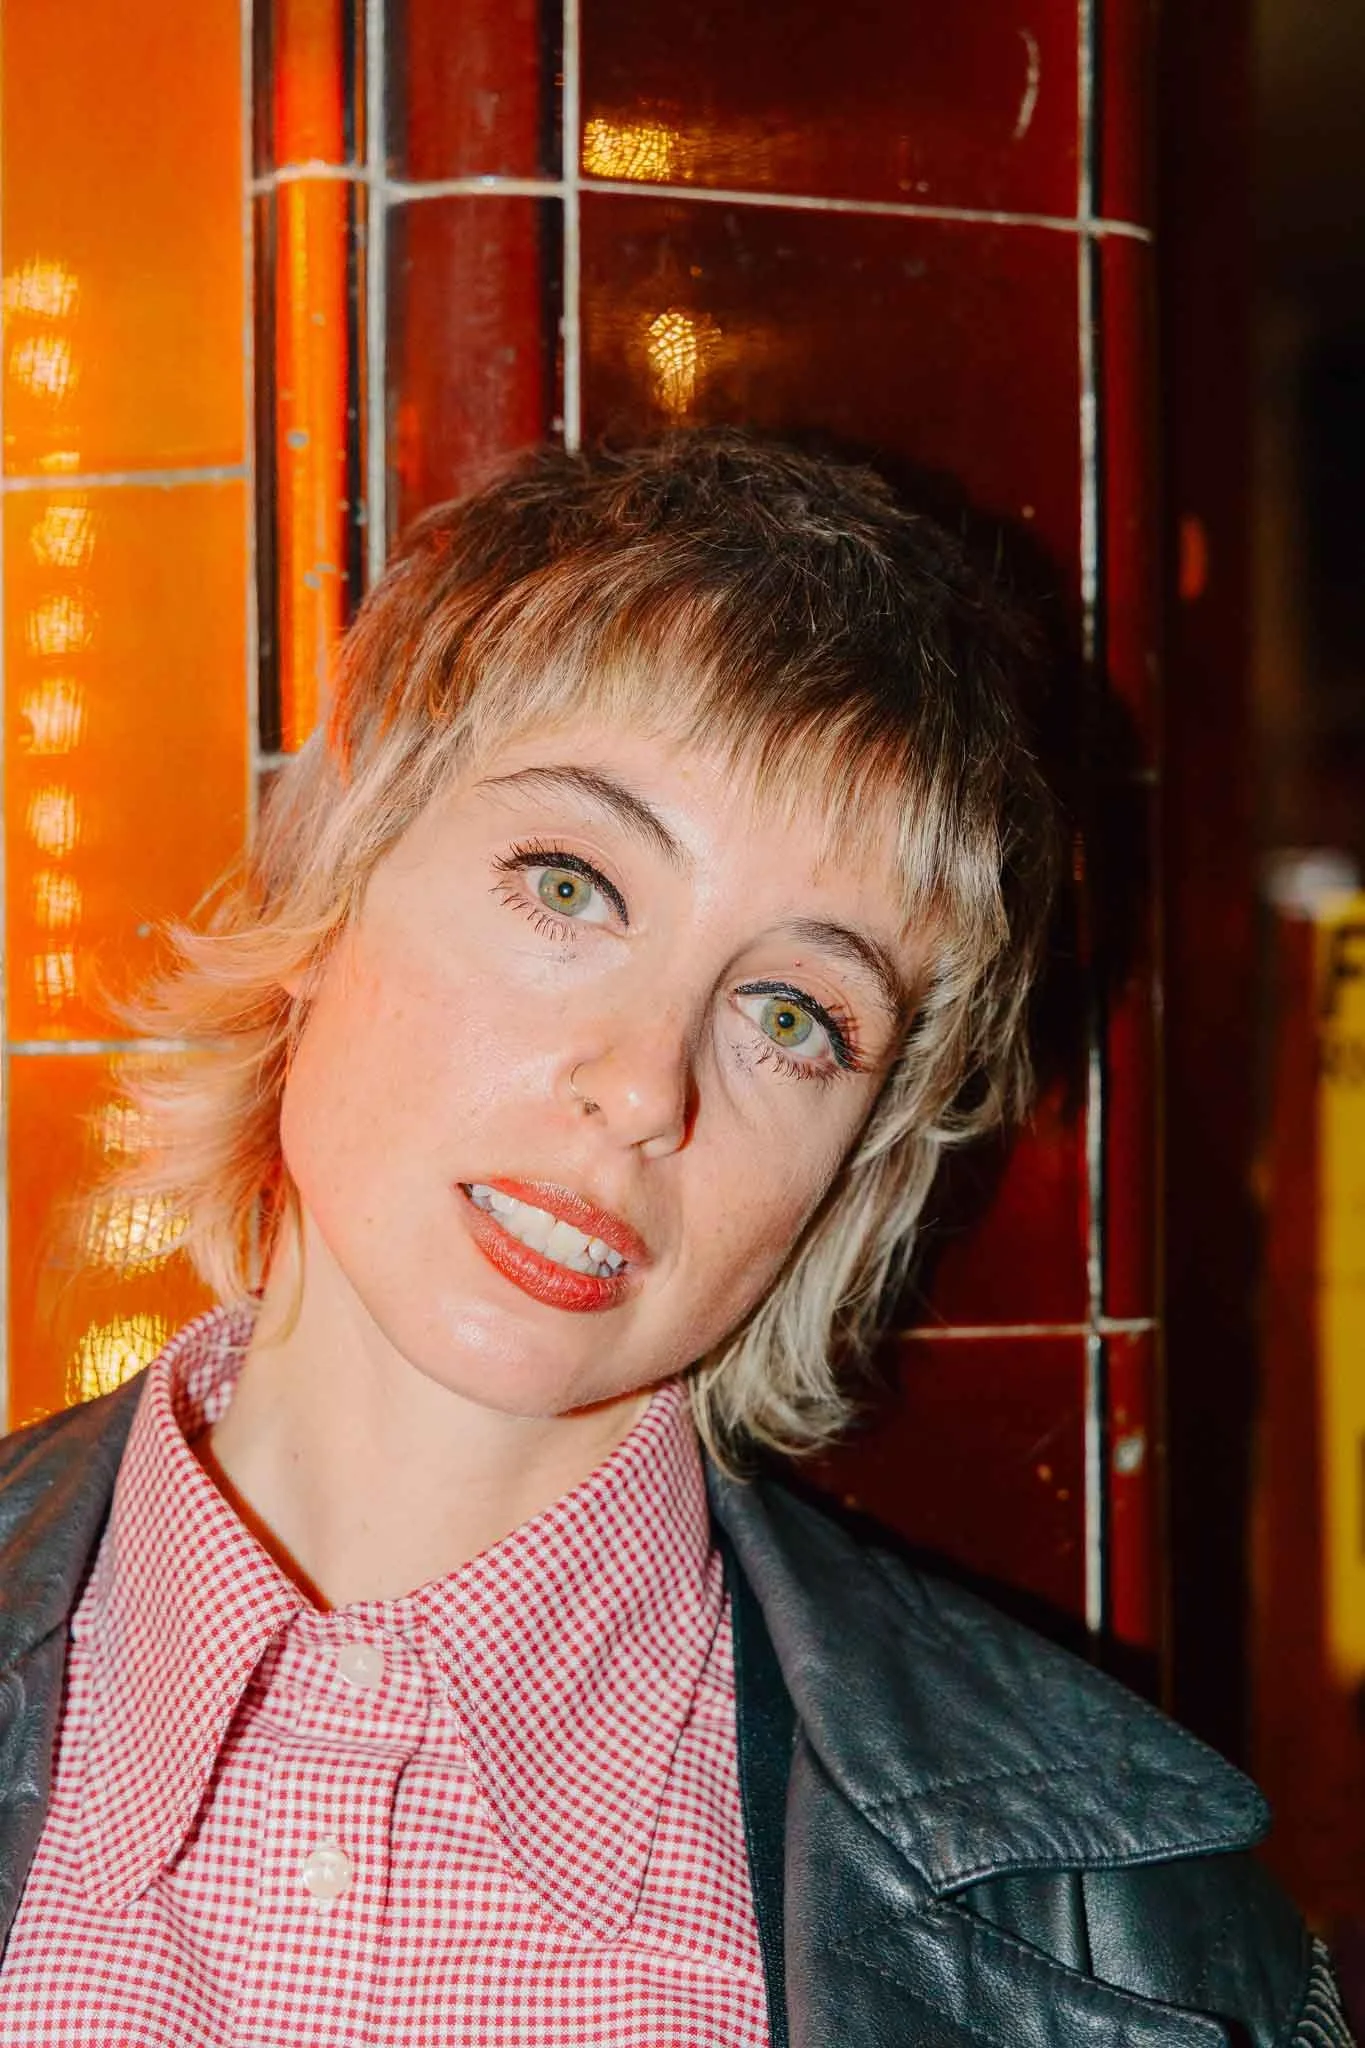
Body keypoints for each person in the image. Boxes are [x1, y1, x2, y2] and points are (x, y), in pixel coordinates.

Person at [0, 431, 1349, 2047]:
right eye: (572, 889)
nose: (645, 1088)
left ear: (857, 1165)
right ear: (334, 874)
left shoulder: (1139, 1954)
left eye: (791, 1015)